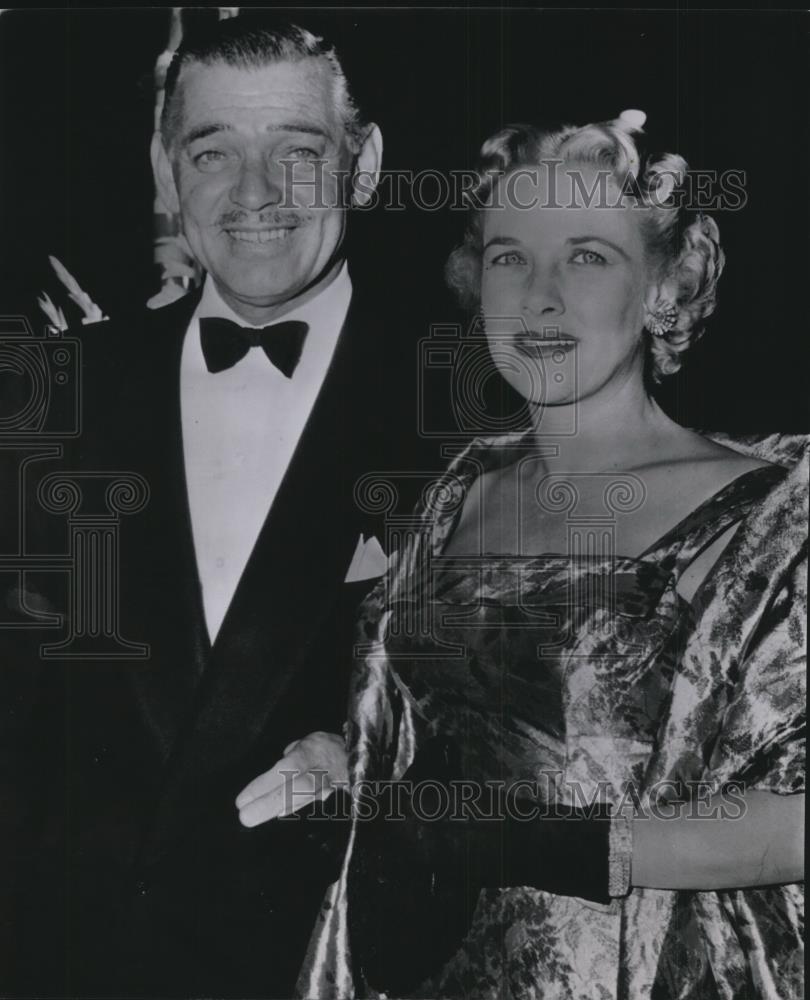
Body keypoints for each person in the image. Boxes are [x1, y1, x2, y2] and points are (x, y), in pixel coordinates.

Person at [297, 111, 806, 999]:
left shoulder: (770, 513)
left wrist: (563, 843)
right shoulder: (460, 488)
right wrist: (348, 764)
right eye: (509, 257)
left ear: (663, 286)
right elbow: (452, 742)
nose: (539, 296)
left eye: (587, 256)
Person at [0, 14, 432, 999]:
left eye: (299, 151)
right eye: (212, 151)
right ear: (165, 171)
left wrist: (369, 761)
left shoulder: (469, 419)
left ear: (364, 166)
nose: (254, 195)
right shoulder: (46, 398)